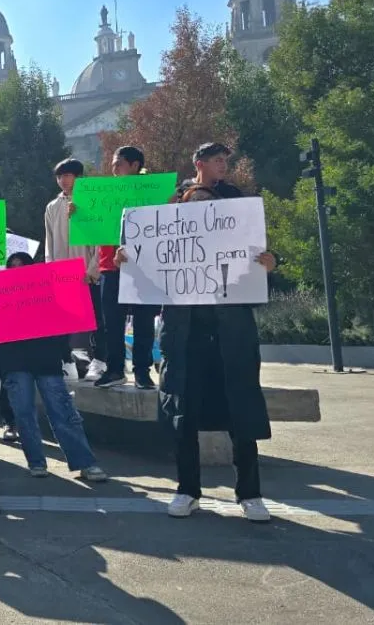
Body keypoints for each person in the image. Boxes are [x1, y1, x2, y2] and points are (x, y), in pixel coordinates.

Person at [117, 142, 279, 523]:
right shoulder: (170, 205)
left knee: (241, 409)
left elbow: (256, 255)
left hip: (230, 330)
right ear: (199, 164)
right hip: (184, 331)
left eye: (226, 160)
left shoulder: (238, 204)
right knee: (182, 414)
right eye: (217, 159)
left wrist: (271, 262)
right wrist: (129, 256)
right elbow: (149, 264)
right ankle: (187, 490)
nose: (223, 165)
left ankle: (250, 493)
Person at [0, 252, 109, 481]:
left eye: (22, 265)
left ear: (32, 269)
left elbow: (69, 316)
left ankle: (85, 463)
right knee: (24, 414)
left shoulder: (47, 293)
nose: (17, 269)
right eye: (12, 266)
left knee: (63, 412)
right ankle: (36, 462)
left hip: (46, 362)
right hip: (15, 364)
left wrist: (80, 285)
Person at [94, 146, 160, 390]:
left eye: (119, 163)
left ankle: (142, 371)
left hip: (143, 268)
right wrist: (77, 213)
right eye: (113, 163)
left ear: (135, 165)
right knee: (112, 322)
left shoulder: (153, 193)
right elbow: (91, 226)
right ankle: (114, 369)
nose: (114, 168)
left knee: (143, 320)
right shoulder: (105, 194)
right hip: (109, 268)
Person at [45, 157, 102, 380]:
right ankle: (69, 363)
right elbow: (49, 241)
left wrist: (93, 269)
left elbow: (100, 239)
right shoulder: (52, 206)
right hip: (62, 272)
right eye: (59, 176)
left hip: (87, 270)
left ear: (78, 177)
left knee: (93, 318)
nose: (63, 180)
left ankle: (96, 362)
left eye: (67, 175)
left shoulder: (91, 201)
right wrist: (51, 271)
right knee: (66, 319)